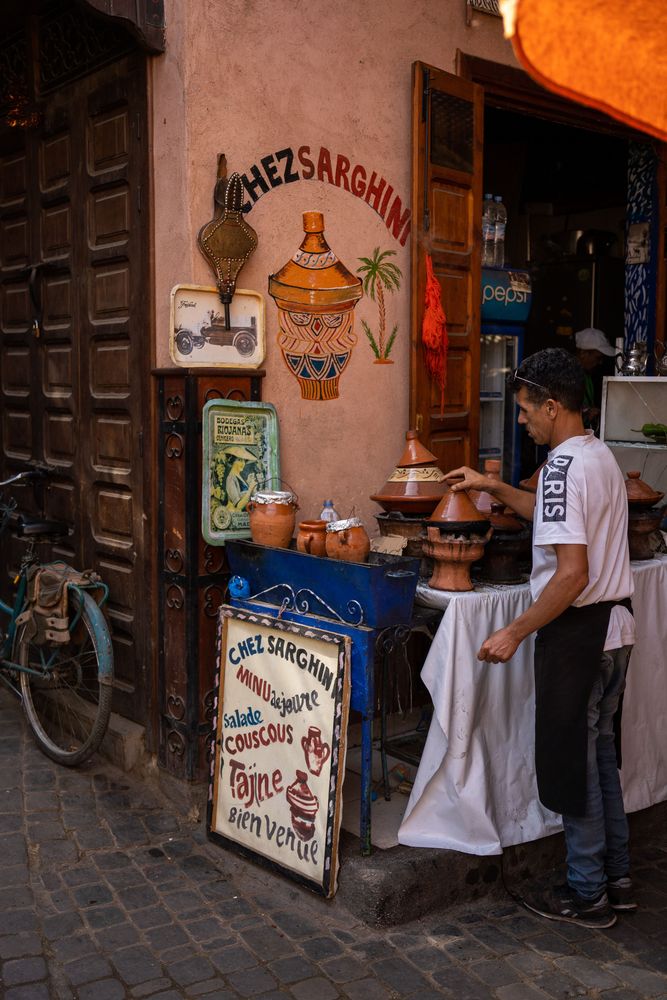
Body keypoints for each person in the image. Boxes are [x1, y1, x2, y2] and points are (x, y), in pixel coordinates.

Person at [446, 347, 635, 930]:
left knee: (570, 765)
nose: (522, 420)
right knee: (600, 756)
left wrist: (513, 630)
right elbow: (553, 517)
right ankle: (616, 878)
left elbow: (572, 573)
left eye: (527, 410)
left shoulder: (559, 466)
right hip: (616, 630)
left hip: (578, 634)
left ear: (553, 407)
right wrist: (492, 487)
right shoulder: (597, 454)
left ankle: (586, 894)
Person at [574, 327, 617, 432]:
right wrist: (586, 413)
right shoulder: (567, 375)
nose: (600, 362)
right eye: (598, 357)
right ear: (583, 353)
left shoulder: (587, 375)